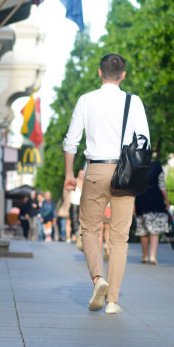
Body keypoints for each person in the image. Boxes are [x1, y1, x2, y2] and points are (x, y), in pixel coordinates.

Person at [63, 54, 150, 315]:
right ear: (123, 75)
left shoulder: (86, 100)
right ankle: (112, 301)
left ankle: (97, 279)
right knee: (119, 238)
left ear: (100, 73)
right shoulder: (133, 102)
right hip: (125, 172)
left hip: (96, 169)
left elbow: (71, 140)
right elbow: (144, 139)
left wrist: (69, 172)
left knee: (89, 229)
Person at [135, 161, 170, 265]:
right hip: (156, 199)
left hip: (141, 198)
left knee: (143, 230)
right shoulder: (157, 166)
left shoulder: (138, 165)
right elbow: (162, 185)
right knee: (155, 230)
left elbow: (135, 186)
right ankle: (153, 256)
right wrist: (167, 200)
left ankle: (145, 256)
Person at [69, 170, 83, 242]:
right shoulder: (75, 181)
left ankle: (79, 234)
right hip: (74, 202)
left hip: (83, 203)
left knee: (81, 219)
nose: (82, 175)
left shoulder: (85, 181)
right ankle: (75, 234)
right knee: (74, 219)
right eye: (80, 174)